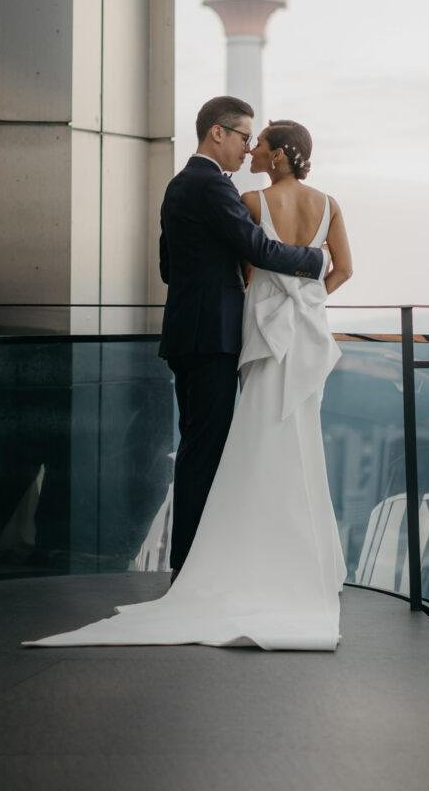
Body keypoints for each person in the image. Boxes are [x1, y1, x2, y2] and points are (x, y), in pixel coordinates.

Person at [23, 102, 353, 651]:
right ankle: (194, 572)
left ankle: (199, 568)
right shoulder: (210, 187)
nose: (248, 148)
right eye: (243, 137)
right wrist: (314, 271)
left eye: (256, 140)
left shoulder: (197, 188)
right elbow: (254, 249)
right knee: (210, 449)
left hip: (204, 334)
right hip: (213, 339)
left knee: (213, 447)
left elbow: (169, 268)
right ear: (218, 133)